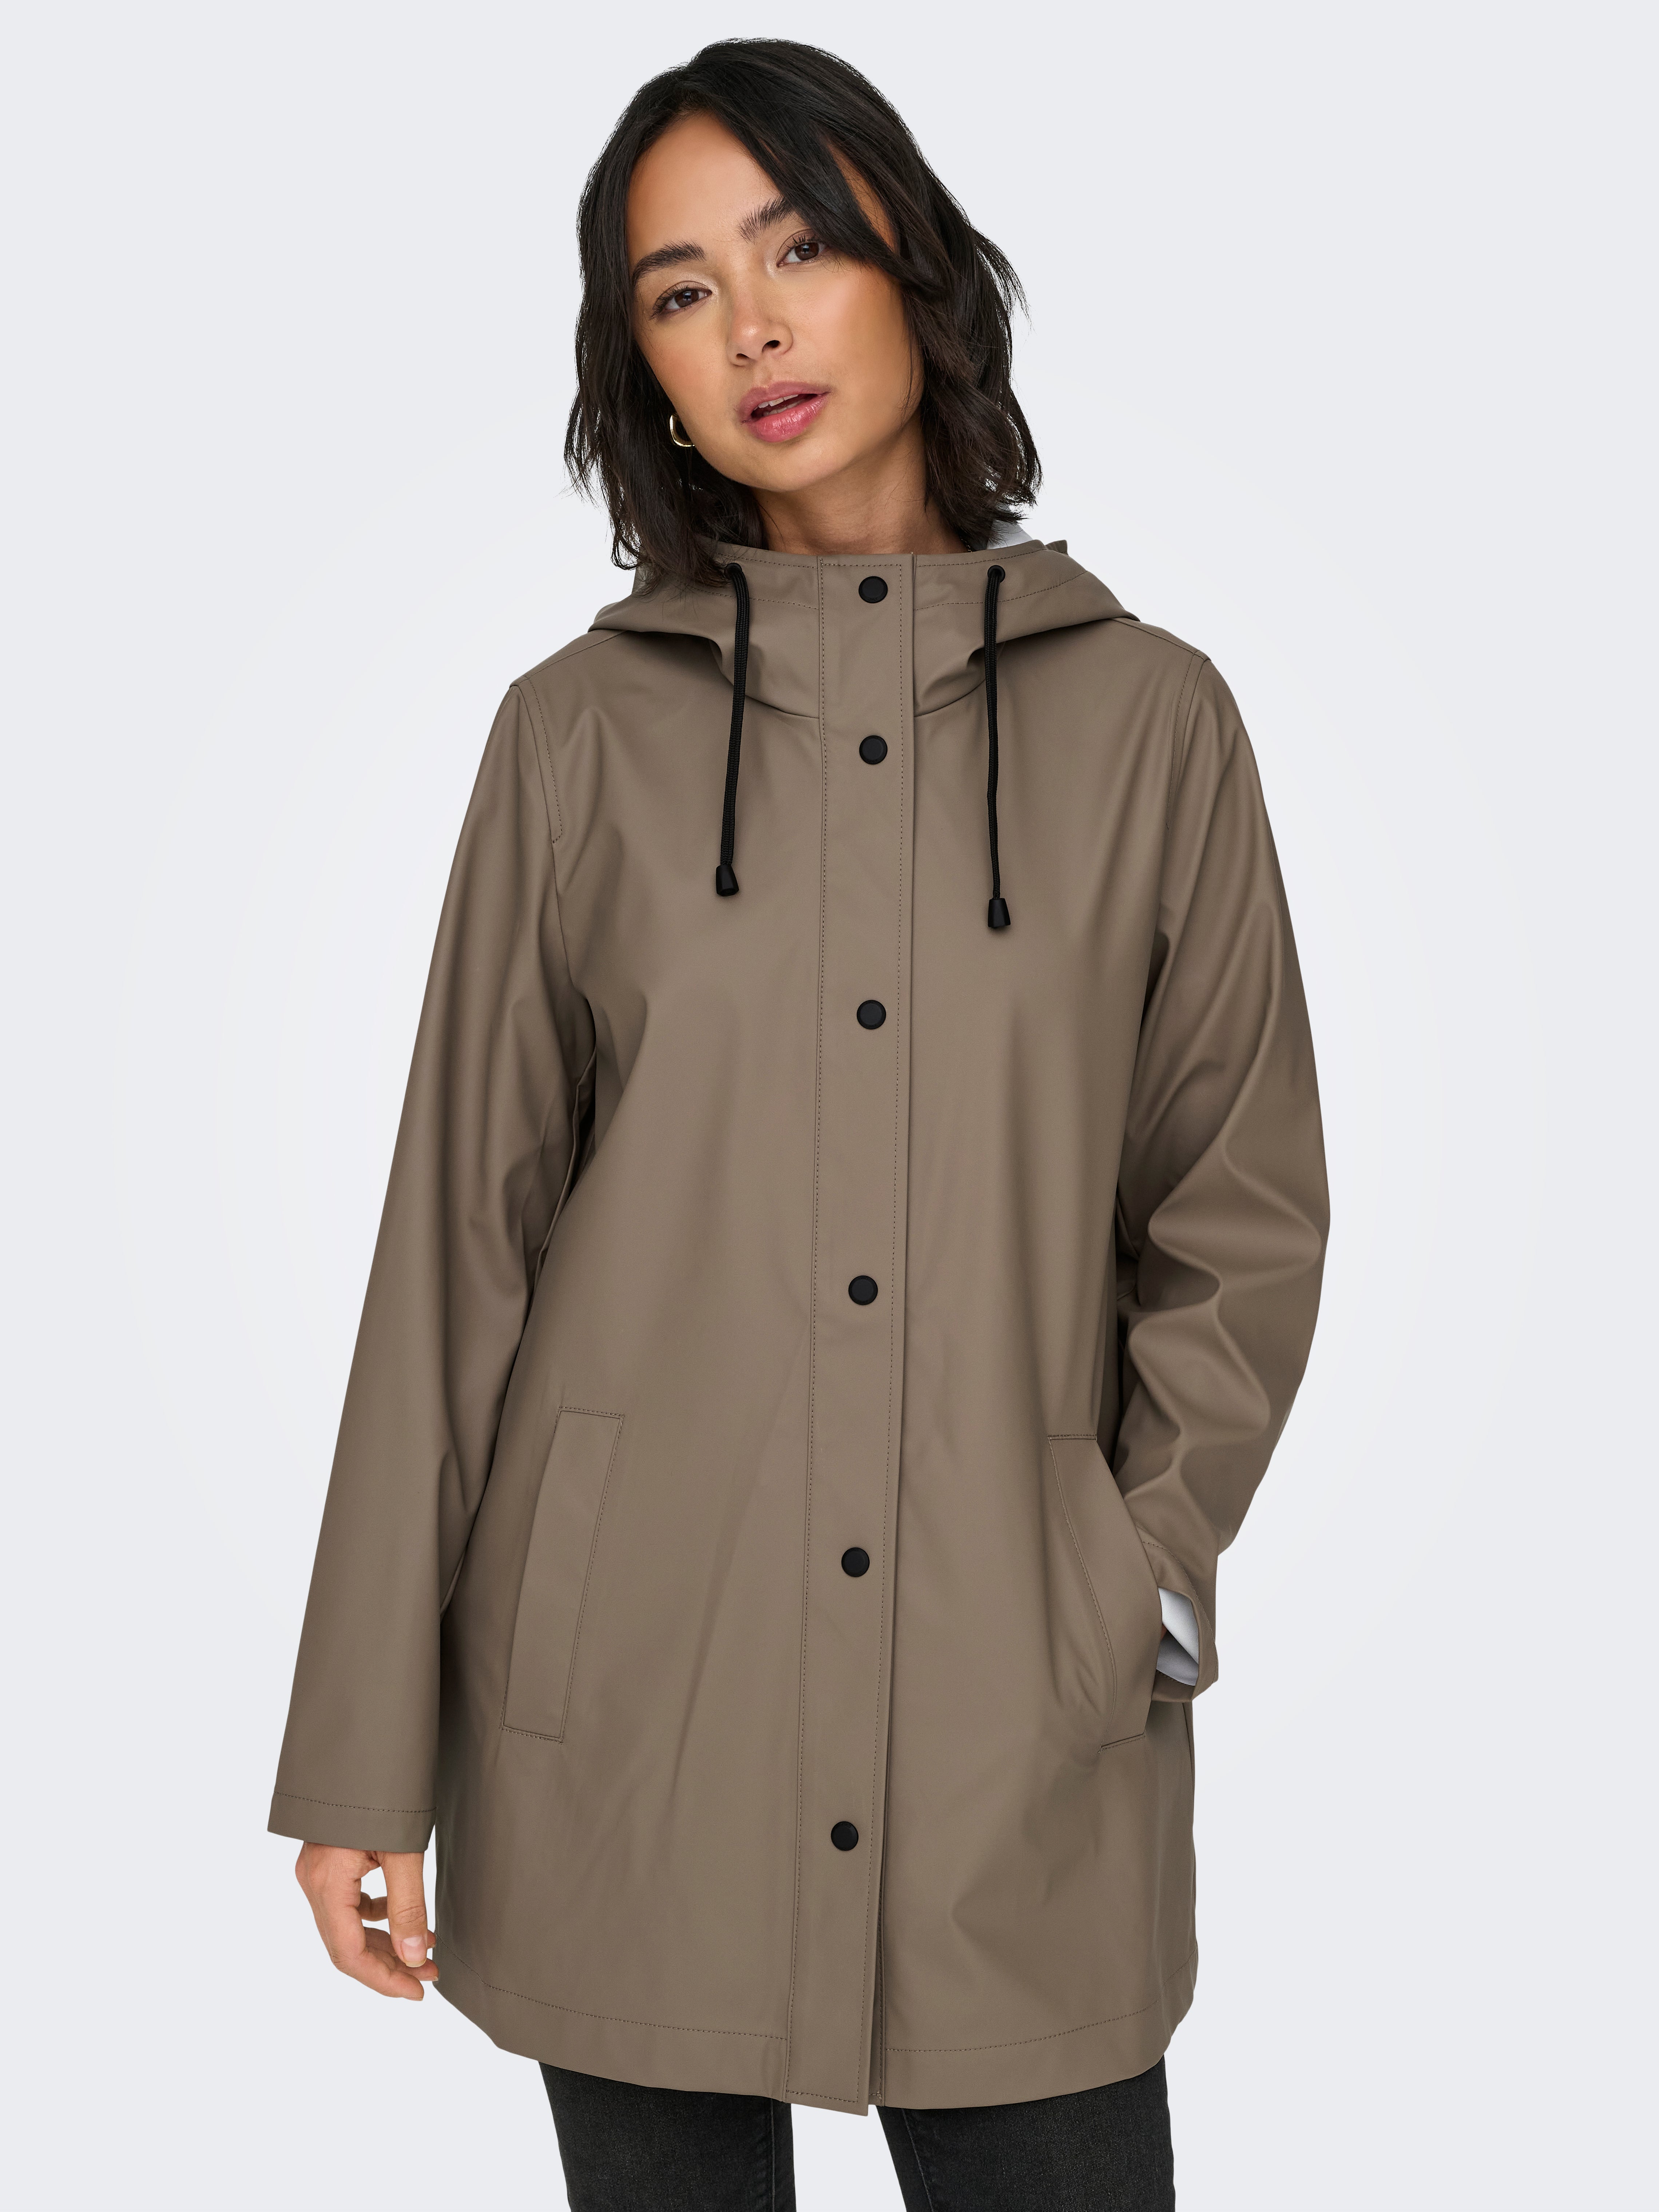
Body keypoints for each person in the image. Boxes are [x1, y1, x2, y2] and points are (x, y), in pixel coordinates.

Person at [270, 38, 1328, 2212]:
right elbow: (454, 1252)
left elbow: (1238, 1210)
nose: (751, 327)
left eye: (799, 249)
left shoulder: (1153, 723)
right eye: (679, 292)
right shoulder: (576, 740)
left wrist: (1124, 1582)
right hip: (632, 1713)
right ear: (642, 373)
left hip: (1015, 1727)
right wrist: (358, 1756)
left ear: (913, 272)